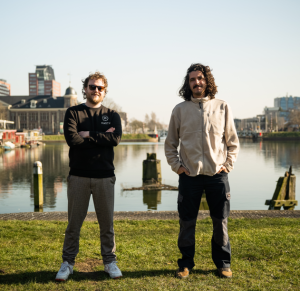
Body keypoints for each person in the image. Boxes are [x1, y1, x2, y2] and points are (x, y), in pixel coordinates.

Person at [165, 63, 239, 279]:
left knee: (220, 222)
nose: (196, 82)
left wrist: (228, 164)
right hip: (190, 176)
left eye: (200, 78)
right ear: (187, 84)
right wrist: (177, 167)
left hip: (218, 175)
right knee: (187, 222)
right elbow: (170, 144)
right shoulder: (179, 110)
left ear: (207, 81)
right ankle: (185, 264)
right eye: (192, 80)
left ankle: (223, 264)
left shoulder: (222, 106)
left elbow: (232, 142)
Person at [55, 71, 122, 281]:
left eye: (99, 88)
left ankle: (110, 262)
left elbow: (116, 139)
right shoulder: (73, 112)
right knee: (73, 223)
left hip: (104, 176)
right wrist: (103, 137)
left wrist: (89, 135)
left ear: (104, 91)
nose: (95, 90)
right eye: (92, 86)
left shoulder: (112, 115)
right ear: (85, 88)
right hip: (78, 177)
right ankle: (68, 263)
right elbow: (73, 140)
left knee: (107, 224)